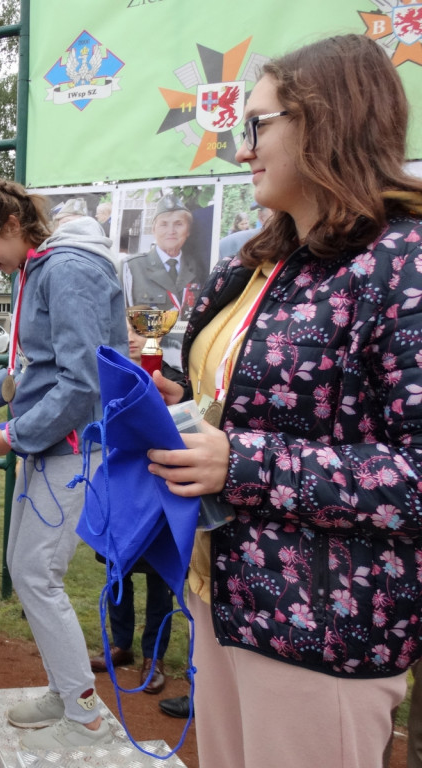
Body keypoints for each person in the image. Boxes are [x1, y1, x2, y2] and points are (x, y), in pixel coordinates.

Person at [145, 34, 422, 768]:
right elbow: (251, 401)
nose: (243, 150)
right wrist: (180, 405)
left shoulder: (404, 260)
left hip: (322, 630)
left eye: (258, 125)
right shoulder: (259, 263)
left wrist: (243, 462)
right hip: (220, 594)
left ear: (328, 120)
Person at [0, 178, 127, 752]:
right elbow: (30, 370)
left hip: (74, 447)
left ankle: (84, 714)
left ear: (12, 226)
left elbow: (82, 382)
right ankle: (66, 691)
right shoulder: (36, 268)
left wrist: (12, 435)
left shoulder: (66, 269)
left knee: (38, 575)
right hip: (49, 446)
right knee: (27, 572)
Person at [89, 323, 176, 696]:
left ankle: (153, 657)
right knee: (116, 570)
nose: (131, 337)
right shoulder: (114, 378)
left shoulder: (174, 379)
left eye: (139, 330)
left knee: (160, 579)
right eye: (126, 329)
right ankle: (121, 644)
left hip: (160, 488)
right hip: (122, 487)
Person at [120, 194, 208, 322]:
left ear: (188, 231)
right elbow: (121, 319)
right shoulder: (131, 267)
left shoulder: (199, 267)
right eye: (164, 224)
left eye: (178, 224)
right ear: (153, 229)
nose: (171, 231)